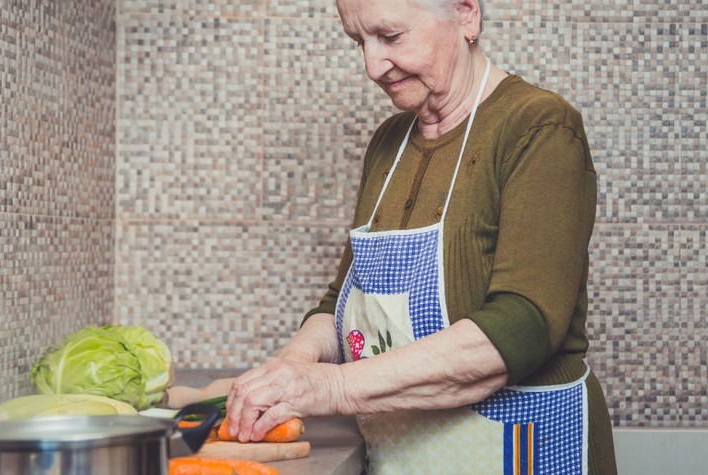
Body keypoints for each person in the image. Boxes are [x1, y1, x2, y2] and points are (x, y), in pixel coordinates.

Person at [169, 0, 617, 473]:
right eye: (358, 41)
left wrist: (331, 387)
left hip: (523, 446)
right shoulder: (389, 142)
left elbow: (522, 327)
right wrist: (291, 366)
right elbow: (341, 301)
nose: (371, 65)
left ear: (466, 14)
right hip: (404, 453)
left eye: (390, 36)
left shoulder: (538, 125)